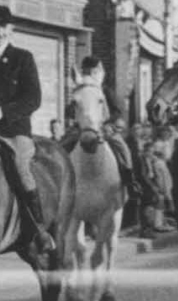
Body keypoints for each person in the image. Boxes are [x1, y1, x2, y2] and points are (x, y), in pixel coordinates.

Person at [0, 6, 55, 253]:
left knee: (20, 166)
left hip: (14, 132)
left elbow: (33, 99)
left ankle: (38, 229)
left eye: (3, 26)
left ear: (11, 29)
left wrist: (4, 112)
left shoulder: (23, 58)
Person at [60, 56, 142, 203]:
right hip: (82, 127)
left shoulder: (104, 90)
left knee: (122, 148)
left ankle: (130, 181)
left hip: (103, 127)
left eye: (92, 71)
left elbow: (117, 111)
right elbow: (70, 109)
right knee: (61, 146)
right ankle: (58, 183)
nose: (89, 73)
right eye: (87, 70)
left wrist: (109, 124)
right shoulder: (79, 88)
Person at [139, 135, 176, 236]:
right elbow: (144, 175)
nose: (151, 153)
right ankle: (151, 226)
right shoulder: (142, 159)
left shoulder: (152, 159)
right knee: (154, 201)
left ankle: (159, 223)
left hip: (153, 183)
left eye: (152, 151)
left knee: (160, 200)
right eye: (149, 151)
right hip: (145, 185)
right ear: (145, 150)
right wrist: (153, 187)